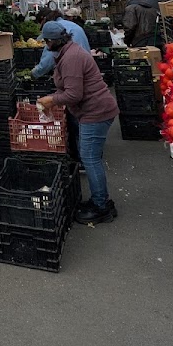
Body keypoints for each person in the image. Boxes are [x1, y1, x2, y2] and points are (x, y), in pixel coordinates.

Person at [36, 20, 119, 224]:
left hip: (96, 112)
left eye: (46, 42)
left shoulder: (71, 57)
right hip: (94, 110)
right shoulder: (69, 52)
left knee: (90, 158)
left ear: (52, 41)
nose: (45, 46)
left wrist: (51, 100)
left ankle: (101, 206)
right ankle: (100, 201)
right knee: (90, 156)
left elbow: (73, 94)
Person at [28, 10, 91, 80]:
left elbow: (49, 59)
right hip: (86, 68)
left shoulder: (55, 30)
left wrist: (35, 73)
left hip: (76, 72)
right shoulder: (71, 25)